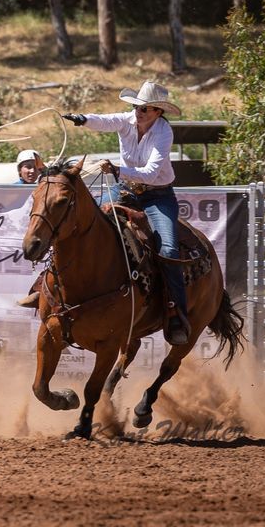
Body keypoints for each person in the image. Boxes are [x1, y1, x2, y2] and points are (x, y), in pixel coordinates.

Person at [62, 80, 190, 346]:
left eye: (146, 109)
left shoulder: (164, 133)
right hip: (126, 190)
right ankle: (50, 289)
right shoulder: (127, 120)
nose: (139, 112)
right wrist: (81, 119)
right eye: (137, 107)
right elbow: (103, 120)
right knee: (85, 225)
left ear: (158, 112)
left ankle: (176, 311)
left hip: (157, 196)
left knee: (167, 249)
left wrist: (119, 170)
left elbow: (152, 173)